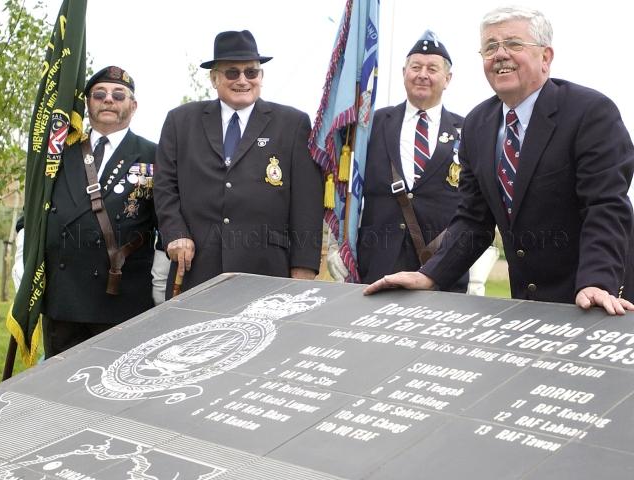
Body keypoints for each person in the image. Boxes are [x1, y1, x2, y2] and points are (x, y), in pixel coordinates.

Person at [364, 6, 634, 316]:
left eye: (514, 44)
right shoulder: (478, 124)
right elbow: (473, 219)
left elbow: (604, 206)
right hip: (527, 304)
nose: (500, 54)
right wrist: (430, 274)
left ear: (546, 57)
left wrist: (597, 281)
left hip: (599, 299)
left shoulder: (590, 113)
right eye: (490, 47)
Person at [154, 30, 323, 297]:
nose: (243, 80)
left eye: (251, 72)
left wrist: (304, 266)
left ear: (261, 77)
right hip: (196, 267)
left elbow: (307, 201)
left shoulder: (292, 123)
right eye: (232, 73)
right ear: (214, 78)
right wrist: (175, 232)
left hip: (267, 270)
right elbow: (165, 185)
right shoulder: (180, 121)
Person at [35, 66, 158, 357]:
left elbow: (166, 217)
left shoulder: (154, 154)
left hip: (121, 296)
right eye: (99, 94)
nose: (108, 100)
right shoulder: (61, 153)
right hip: (64, 296)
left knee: (112, 390)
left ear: (133, 105)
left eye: (119, 95)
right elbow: (36, 207)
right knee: (58, 388)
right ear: (88, 103)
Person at [358, 31, 468, 292]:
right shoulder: (371, 124)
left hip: (442, 266)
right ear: (404, 72)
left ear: (447, 78)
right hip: (378, 258)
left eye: (432, 68)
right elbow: (351, 185)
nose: (422, 74)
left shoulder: (468, 130)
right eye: (415, 67)